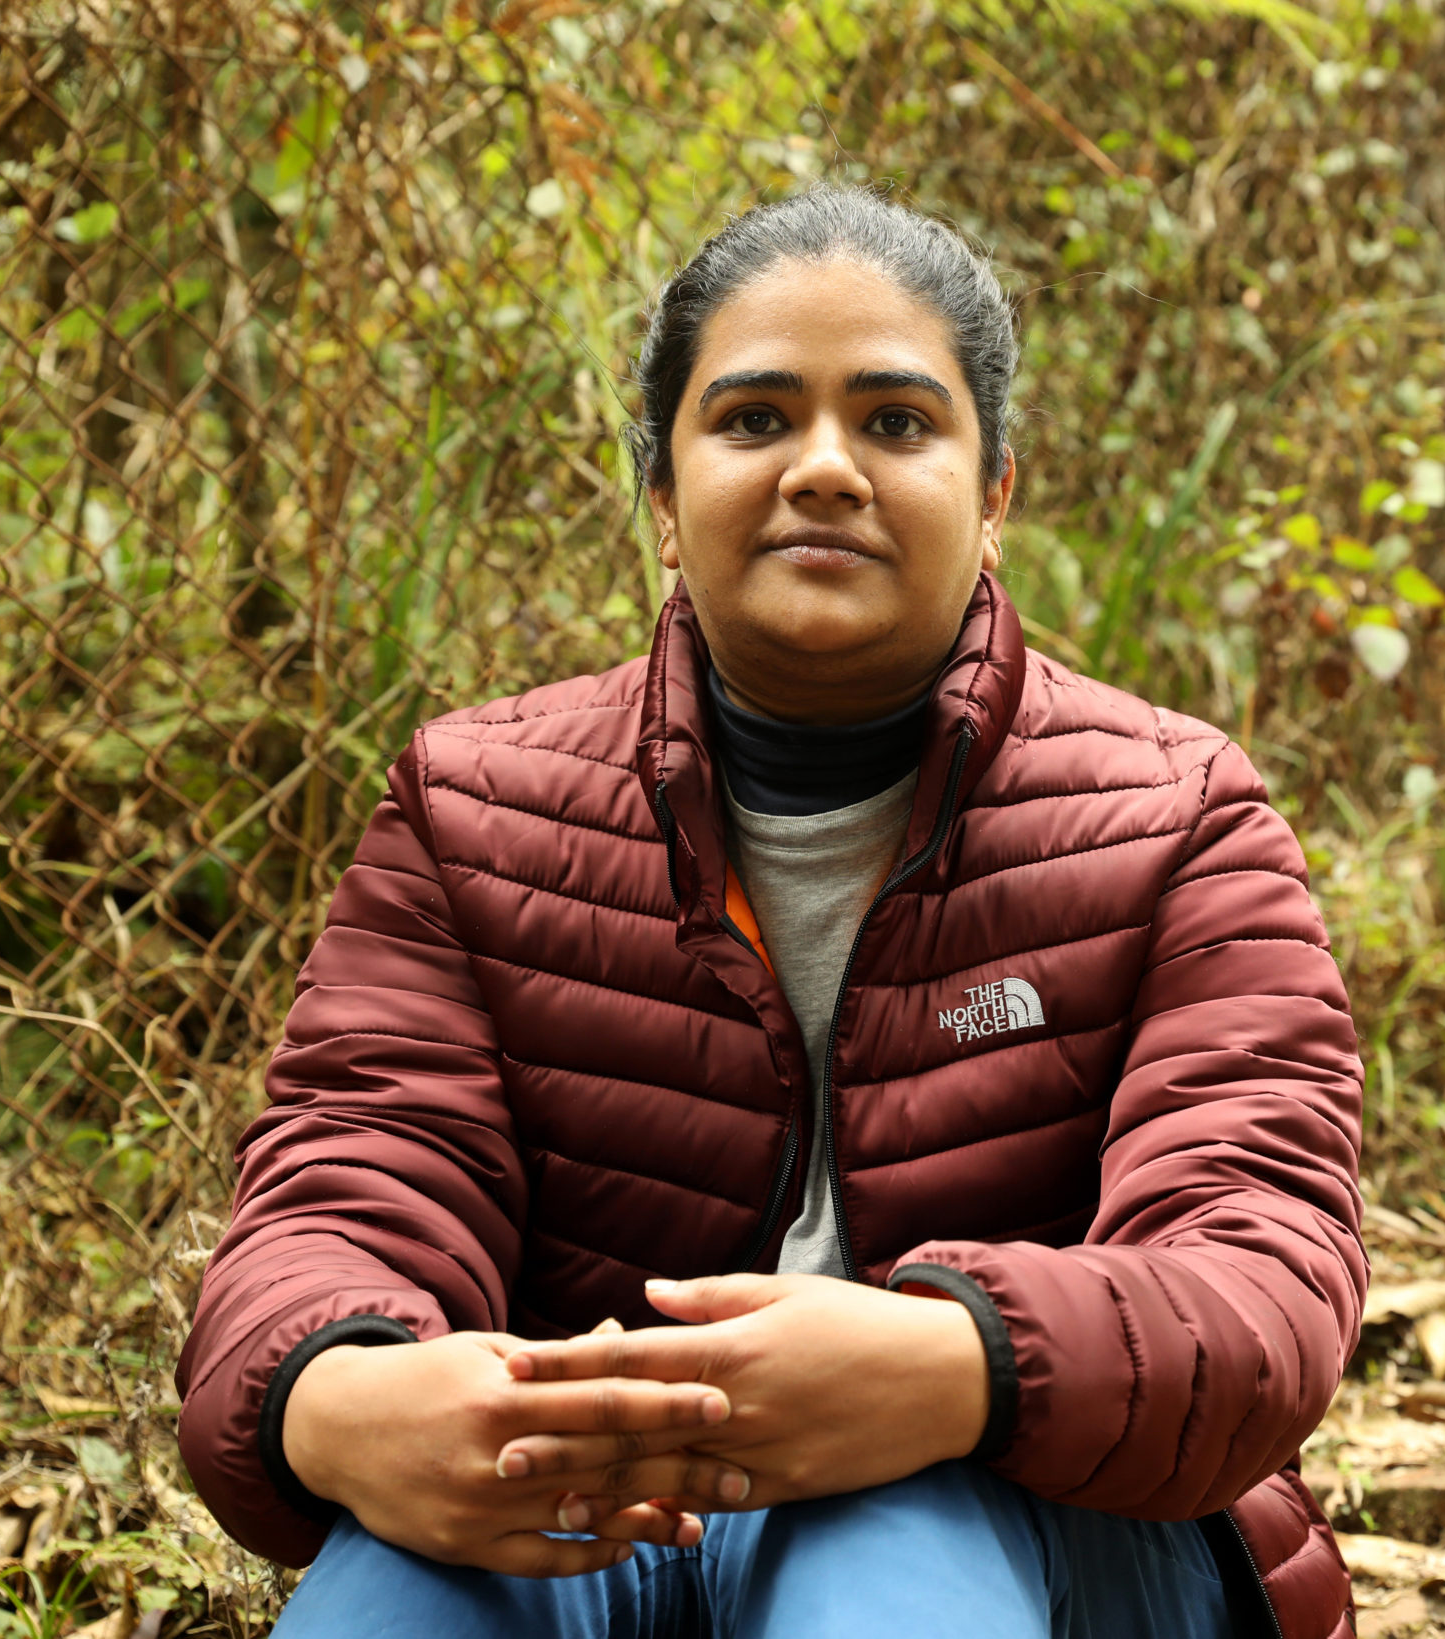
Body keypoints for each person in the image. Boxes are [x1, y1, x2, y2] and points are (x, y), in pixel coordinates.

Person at [174, 185, 1365, 1639]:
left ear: (996, 490)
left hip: (1034, 1511)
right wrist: (335, 1392)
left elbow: (1257, 1277)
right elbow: (346, 1187)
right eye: (751, 420)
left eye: (897, 422)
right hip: (582, 1497)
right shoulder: (469, 814)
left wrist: (958, 1364)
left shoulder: (1179, 820)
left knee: (883, 1572)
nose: (824, 470)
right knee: (395, 1600)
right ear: (663, 498)